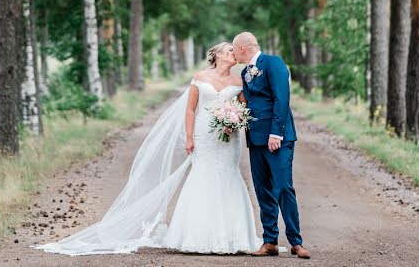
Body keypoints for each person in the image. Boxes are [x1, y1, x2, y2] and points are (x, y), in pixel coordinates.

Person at [35, 41, 261, 256]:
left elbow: (242, 107)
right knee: (202, 176)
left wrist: (235, 122)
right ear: (219, 54)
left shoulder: (239, 81)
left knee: (229, 175)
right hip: (204, 135)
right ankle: (197, 235)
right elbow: (191, 110)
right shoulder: (200, 77)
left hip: (228, 139)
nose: (234, 53)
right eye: (230, 50)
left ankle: (233, 236)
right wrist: (190, 137)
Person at [233, 31, 311, 259]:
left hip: (277, 137)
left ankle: (296, 242)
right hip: (255, 139)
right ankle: (270, 241)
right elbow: (248, 101)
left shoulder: (273, 63)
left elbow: (282, 98)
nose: (234, 53)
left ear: (242, 49)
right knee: (262, 190)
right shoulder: (245, 72)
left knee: (283, 187)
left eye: (234, 49)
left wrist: (276, 133)